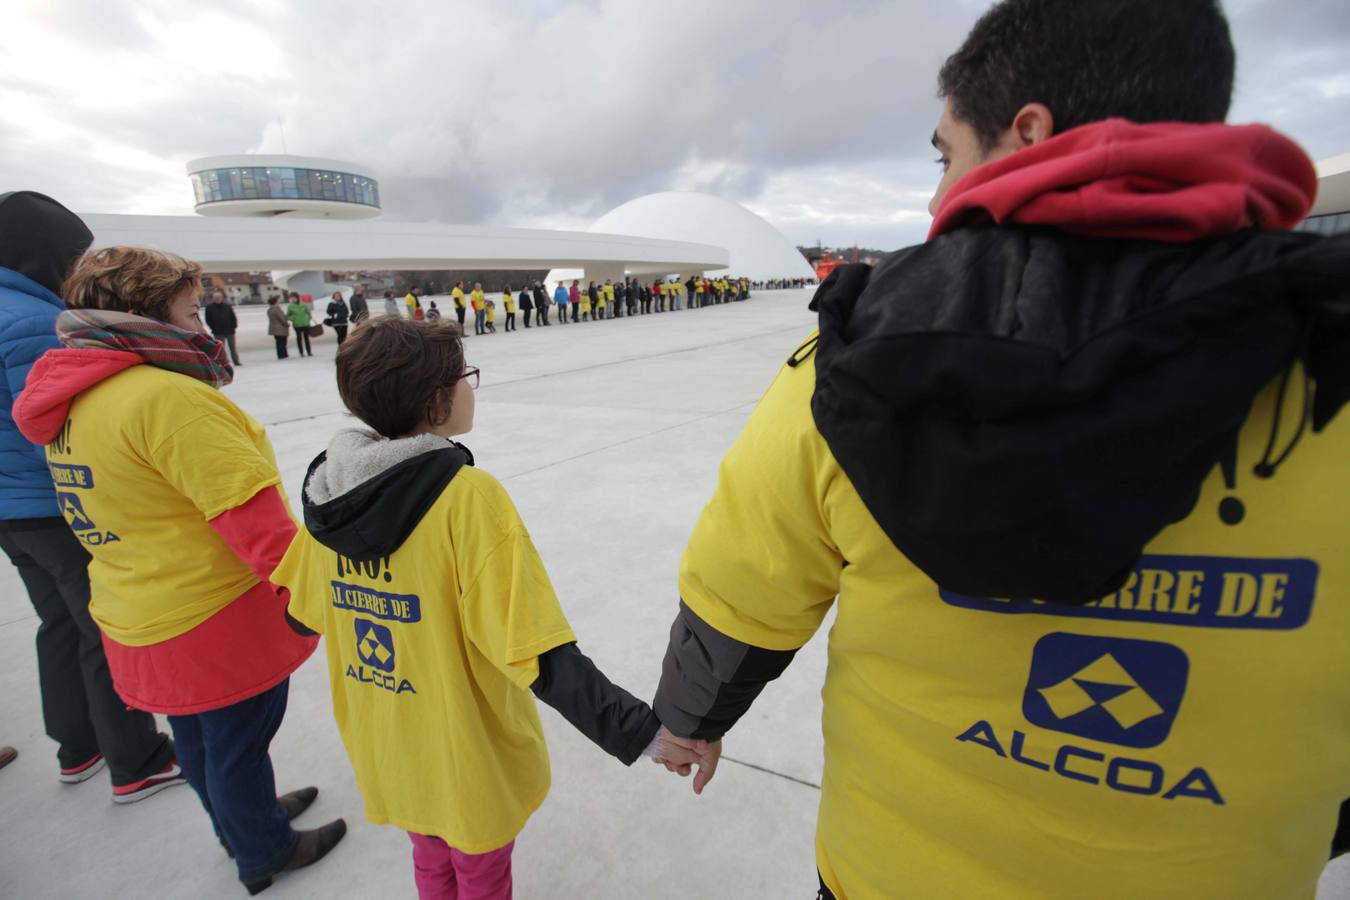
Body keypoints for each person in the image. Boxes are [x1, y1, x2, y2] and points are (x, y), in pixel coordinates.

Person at [650, 1, 1350, 898]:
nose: (937, 198)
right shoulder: (1323, 354)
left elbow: (739, 590)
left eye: (945, 156)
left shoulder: (853, 358)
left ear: (1027, 133)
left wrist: (691, 721)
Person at [272, 317, 708, 900]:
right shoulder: (466, 501)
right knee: (480, 872)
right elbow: (538, 653)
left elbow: (301, 613)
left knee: (429, 856)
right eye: (464, 377)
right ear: (435, 402)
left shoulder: (332, 493)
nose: (471, 387)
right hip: (463, 750)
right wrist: (647, 735)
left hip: (388, 741)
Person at [14, 246, 346, 894]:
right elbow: (260, 528)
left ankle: (240, 821)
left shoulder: (76, 396)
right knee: (237, 742)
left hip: (137, 605)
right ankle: (264, 849)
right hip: (211, 616)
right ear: (147, 310)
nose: (200, 324)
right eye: (191, 309)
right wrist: (323, 597)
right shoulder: (167, 399)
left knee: (198, 742)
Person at [0, 191, 181, 802]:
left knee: (56, 624)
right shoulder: (28, 318)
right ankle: (137, 759)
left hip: (10, 514)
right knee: (102, 626)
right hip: (50, 506)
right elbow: (50, 426)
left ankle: (78, 747)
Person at [205, 290, 242, 366]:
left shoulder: (227, 306)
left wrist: (234, 327)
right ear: (213, 298)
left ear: (222, 298)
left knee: (233, 348)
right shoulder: (209, 307)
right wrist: (213, 327)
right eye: (216, 297)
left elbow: (233, 317)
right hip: (218, 332)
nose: (217, 299)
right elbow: (208, 319)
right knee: (220, 349)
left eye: (219, 297)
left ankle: (236, 361)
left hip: (230, 331)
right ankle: (224, 363)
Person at [287, 292, 313, 357]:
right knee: (299, 338)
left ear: (297, 298)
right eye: (291, 298)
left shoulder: (303, 305)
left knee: (306, 338)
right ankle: (301, 352)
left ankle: (309, 352)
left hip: (305, 324)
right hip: (297, 324)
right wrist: (293, 318)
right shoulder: (290, 306)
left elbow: (308, 313)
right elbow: (288, 315)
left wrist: (308, 318)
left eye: (294, 298)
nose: (293, 299)